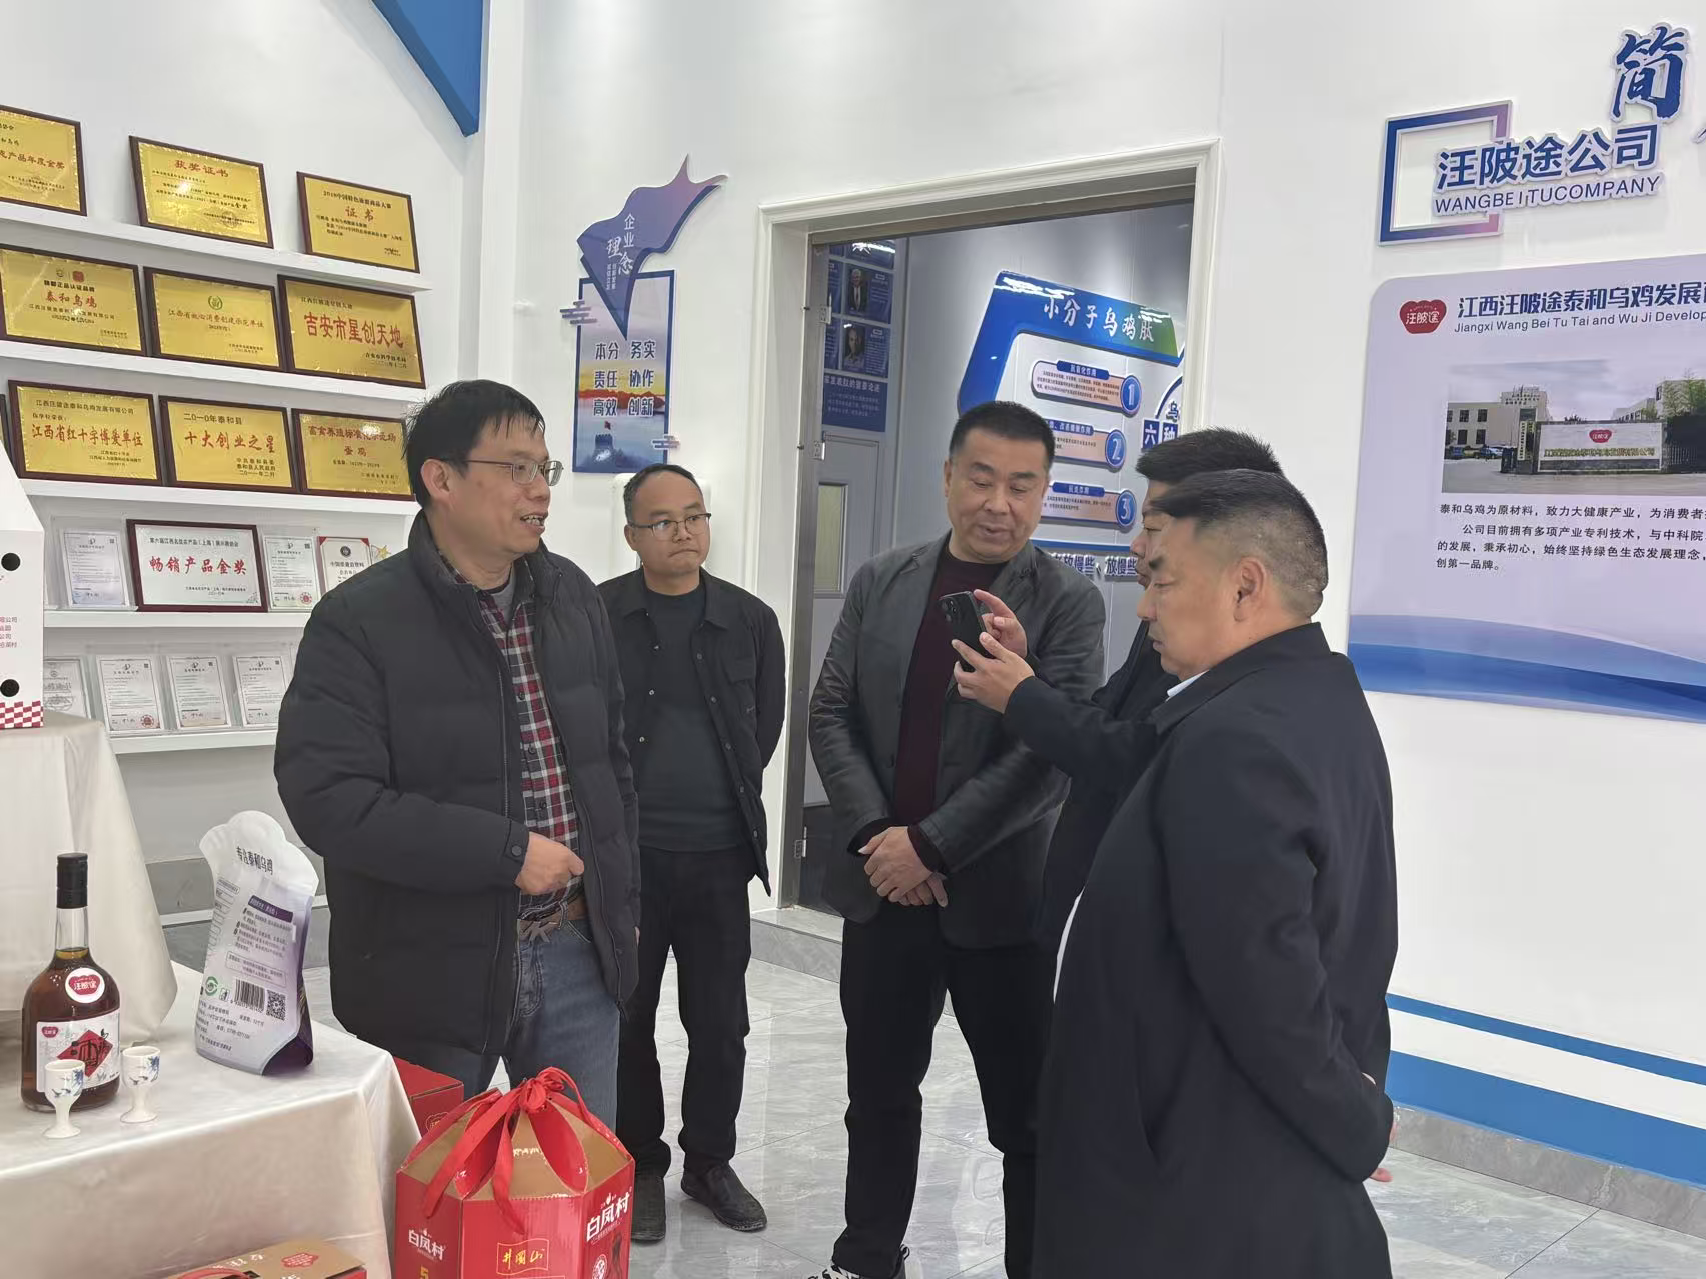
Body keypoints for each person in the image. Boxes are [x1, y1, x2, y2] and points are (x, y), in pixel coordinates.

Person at [1037, 469, 1398, 1277]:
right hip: (1230, 1154)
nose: (1145, 607)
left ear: (1244, 586)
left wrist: (1357, 1122)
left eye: (1163, 579)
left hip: (1195, 1184)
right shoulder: (1317, 693)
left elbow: (1268, 987)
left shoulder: (1236, 738)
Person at [275, 380, 640, 1120]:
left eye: (545, 468)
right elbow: (330, 800)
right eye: (516, 468)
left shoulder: (572, 596)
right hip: (428, 968)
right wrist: (507, 853)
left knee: (572, 1173)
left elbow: (611, 765)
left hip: (576, 946)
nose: (540, 489)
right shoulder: (359, 621)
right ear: (440, 479)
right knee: (432, 1180)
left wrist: (619, 905)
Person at [806, 401, 1105, 1279]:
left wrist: (931, 846)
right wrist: (879, 838)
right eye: (981, 478)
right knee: (878, 1094)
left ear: (1044, 494)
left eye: (1021, 485)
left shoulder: (1069, 604)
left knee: (1026, 1118)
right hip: (883, 893)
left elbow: (1048, 758)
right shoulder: (883, 580)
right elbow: (831, 711)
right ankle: (866, 1257)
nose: (998, 503)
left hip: (1001, 905)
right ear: (947, 478)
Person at [950, 429, 1282, 953]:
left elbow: (1138, 756)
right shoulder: (1167, 621)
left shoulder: (1237, 669)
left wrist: (1020, 695)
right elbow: (1106, 717)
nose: (1137, 546)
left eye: (1153, 527)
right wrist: (1026, 671)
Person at [600, 463, 784, 1244]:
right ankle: (639, 1163)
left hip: (718, 857)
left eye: (695, 516)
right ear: (632, 534)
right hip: (629, 861)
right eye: (663, 521)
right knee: (627, 1018)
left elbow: (763, 729)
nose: (683, 532)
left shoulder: (750, 620)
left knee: (720, 1024)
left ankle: (709, 1162)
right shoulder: (599, 615)